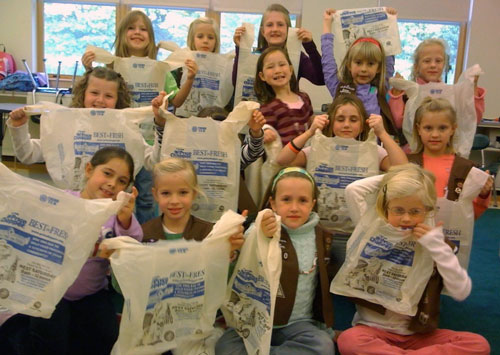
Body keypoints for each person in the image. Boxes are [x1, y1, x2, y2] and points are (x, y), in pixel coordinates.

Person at [0, 146, 142, 355]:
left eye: (122, 181)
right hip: (53, 292)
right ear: (88, 170)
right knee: (49, 339)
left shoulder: (116, 213)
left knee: (106, 336)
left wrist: (125, 219)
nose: (112, 184)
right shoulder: (64, 202)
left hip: (91, 293)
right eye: (107, 173)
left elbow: (132, 246)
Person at [336, 163, 491, 354]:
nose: (406, 219)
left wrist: (438, 248)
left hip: (419, 336)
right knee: (349, 340)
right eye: (398, 210)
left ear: (427, 210)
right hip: (373, 331)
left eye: (415, 212)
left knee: (478, 344)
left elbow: (461, 291)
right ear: (386, 209)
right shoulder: (371, 230)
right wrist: (407, 176)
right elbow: (353, 190)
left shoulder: (434, 241)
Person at [82, 10, 198, 223]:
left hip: (149, 142)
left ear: (151, 38)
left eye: (143, 29)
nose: (137, 32)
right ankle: (109, 229)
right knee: (111, 191)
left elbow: (176, 101)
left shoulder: (160, 68)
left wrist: (189, 78)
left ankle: (142, 235)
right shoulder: (112, 65)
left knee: (145, 196)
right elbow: (94, 95)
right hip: (117, 141)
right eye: (132, 28)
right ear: (122, 34)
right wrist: (89, 68)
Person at [7, 67, 164, 224]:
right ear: (83, 93)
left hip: (111, 215)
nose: (100, 100)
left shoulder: (125, 129)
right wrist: (18, 127)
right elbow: (28, 155)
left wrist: (160, 126)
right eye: (94, 93)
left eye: (108, 96)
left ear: (118, 100)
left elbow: (152, 161)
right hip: (71, 212)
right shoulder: (67, 125)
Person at [276, 94, 407, 272]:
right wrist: (309, 131)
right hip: (319, 232)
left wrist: (382, 133)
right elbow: (282, 159)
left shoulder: (372, 151)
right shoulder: (318, 148)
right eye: (340, 119)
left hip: (356, 234)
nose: (346, 124)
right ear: (330, 122)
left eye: (353, 119)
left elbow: (402, 169)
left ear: (363, 124)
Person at [216, 167, 335, 354]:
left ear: (312, 204)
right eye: (286, 200)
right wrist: (259, 235)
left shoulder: (321, 236)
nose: (294, 208)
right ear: (273, 203)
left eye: (302, 201)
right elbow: (239, 267)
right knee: (225, 346)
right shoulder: (259, 229)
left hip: (298, 325)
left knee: (323, 345)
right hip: (253, 323)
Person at [321, 8, 403, 144]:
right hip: (341, 151)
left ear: (378, 68)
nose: (364, 69)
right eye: (358, 63)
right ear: (349, 64)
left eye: (370, 64)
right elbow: (327, 60)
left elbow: (389, 52)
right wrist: (327, 24)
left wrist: (390, 22)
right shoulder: (338, 87)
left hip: (371, 154)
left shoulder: (380, 88)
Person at [140, 158, 244, 260]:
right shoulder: (143, 233)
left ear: (194, 193)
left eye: (183, 192)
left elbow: (219, 269)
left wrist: (228, 250)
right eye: (166, 193)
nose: (174, 201)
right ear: (155, 195)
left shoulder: (209, 233)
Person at [407, 97, 493, 219]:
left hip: (449, 234)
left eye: (442, 128)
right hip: (413, 232)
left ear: (452, 129)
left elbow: (471, 214)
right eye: (428, 128)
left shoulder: (465, 168)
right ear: (418, 129)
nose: (435, 134)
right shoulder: (407, 163)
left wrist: (483, 194)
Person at [389, 38, 486, 127]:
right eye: (427, 61)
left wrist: (473, 87)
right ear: (416, 66)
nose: (433, 65)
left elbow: (472, 119)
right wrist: (397, 93)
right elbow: (398, 123)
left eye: (438, 61)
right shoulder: (408, 94)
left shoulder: (451, 94)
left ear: (444, 64)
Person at [232, 3, 324, 87]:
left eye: (280, 24)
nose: (275, 29)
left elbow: (321, 79)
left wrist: (310, 46)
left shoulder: (297, 57)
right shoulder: (255, 54)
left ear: (288, 30)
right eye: (269, 25)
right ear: (263, 31)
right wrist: (240, 49)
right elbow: (237, 83)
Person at [254, 47, 316, 146]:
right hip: (286, 159)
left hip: (309, 156)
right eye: (270, 67)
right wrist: (265, 133)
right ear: (262, 76)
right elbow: (263, 130)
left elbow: (312, 122)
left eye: (282, 64)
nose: (277, 70)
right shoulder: (268, 108)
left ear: (291, 70)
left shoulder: (304, 98)